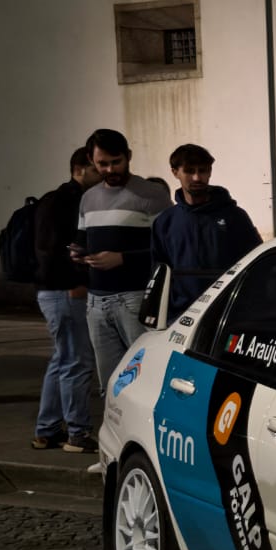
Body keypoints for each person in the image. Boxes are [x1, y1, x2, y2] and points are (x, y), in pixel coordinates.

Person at [77, 127, 171, 391]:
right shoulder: (88, 198)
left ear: (128, 156)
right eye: (102, 164)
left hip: (135, 298)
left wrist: (123, 259)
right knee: (110, 385)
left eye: (116, 162)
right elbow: (82, 240)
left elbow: (169, 248)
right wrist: (78, 254)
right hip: (96, 302)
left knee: (146, 378)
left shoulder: (151, 195)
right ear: (91, 160)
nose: (110, 169)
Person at [32, 146, 100, 452]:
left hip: (52, 290)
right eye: (96, 168)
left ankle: (46, 430)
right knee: (77, 361)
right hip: (65, 291)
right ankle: (77, 433)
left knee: (63, 359)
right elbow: (53, 249)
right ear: (79, 169)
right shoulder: (70, 201)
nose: (103, 173)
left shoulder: (53, 199)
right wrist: (75, 282)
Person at [150, 144, 261, 320]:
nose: (197, 177)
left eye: (202, 171)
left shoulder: (235, 216)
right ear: (175, 172)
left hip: (227, 314)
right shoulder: (165, 222)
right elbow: (159, 273)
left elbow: (256, 263)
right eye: (189, 171)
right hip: (179, 317)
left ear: (210, 172)